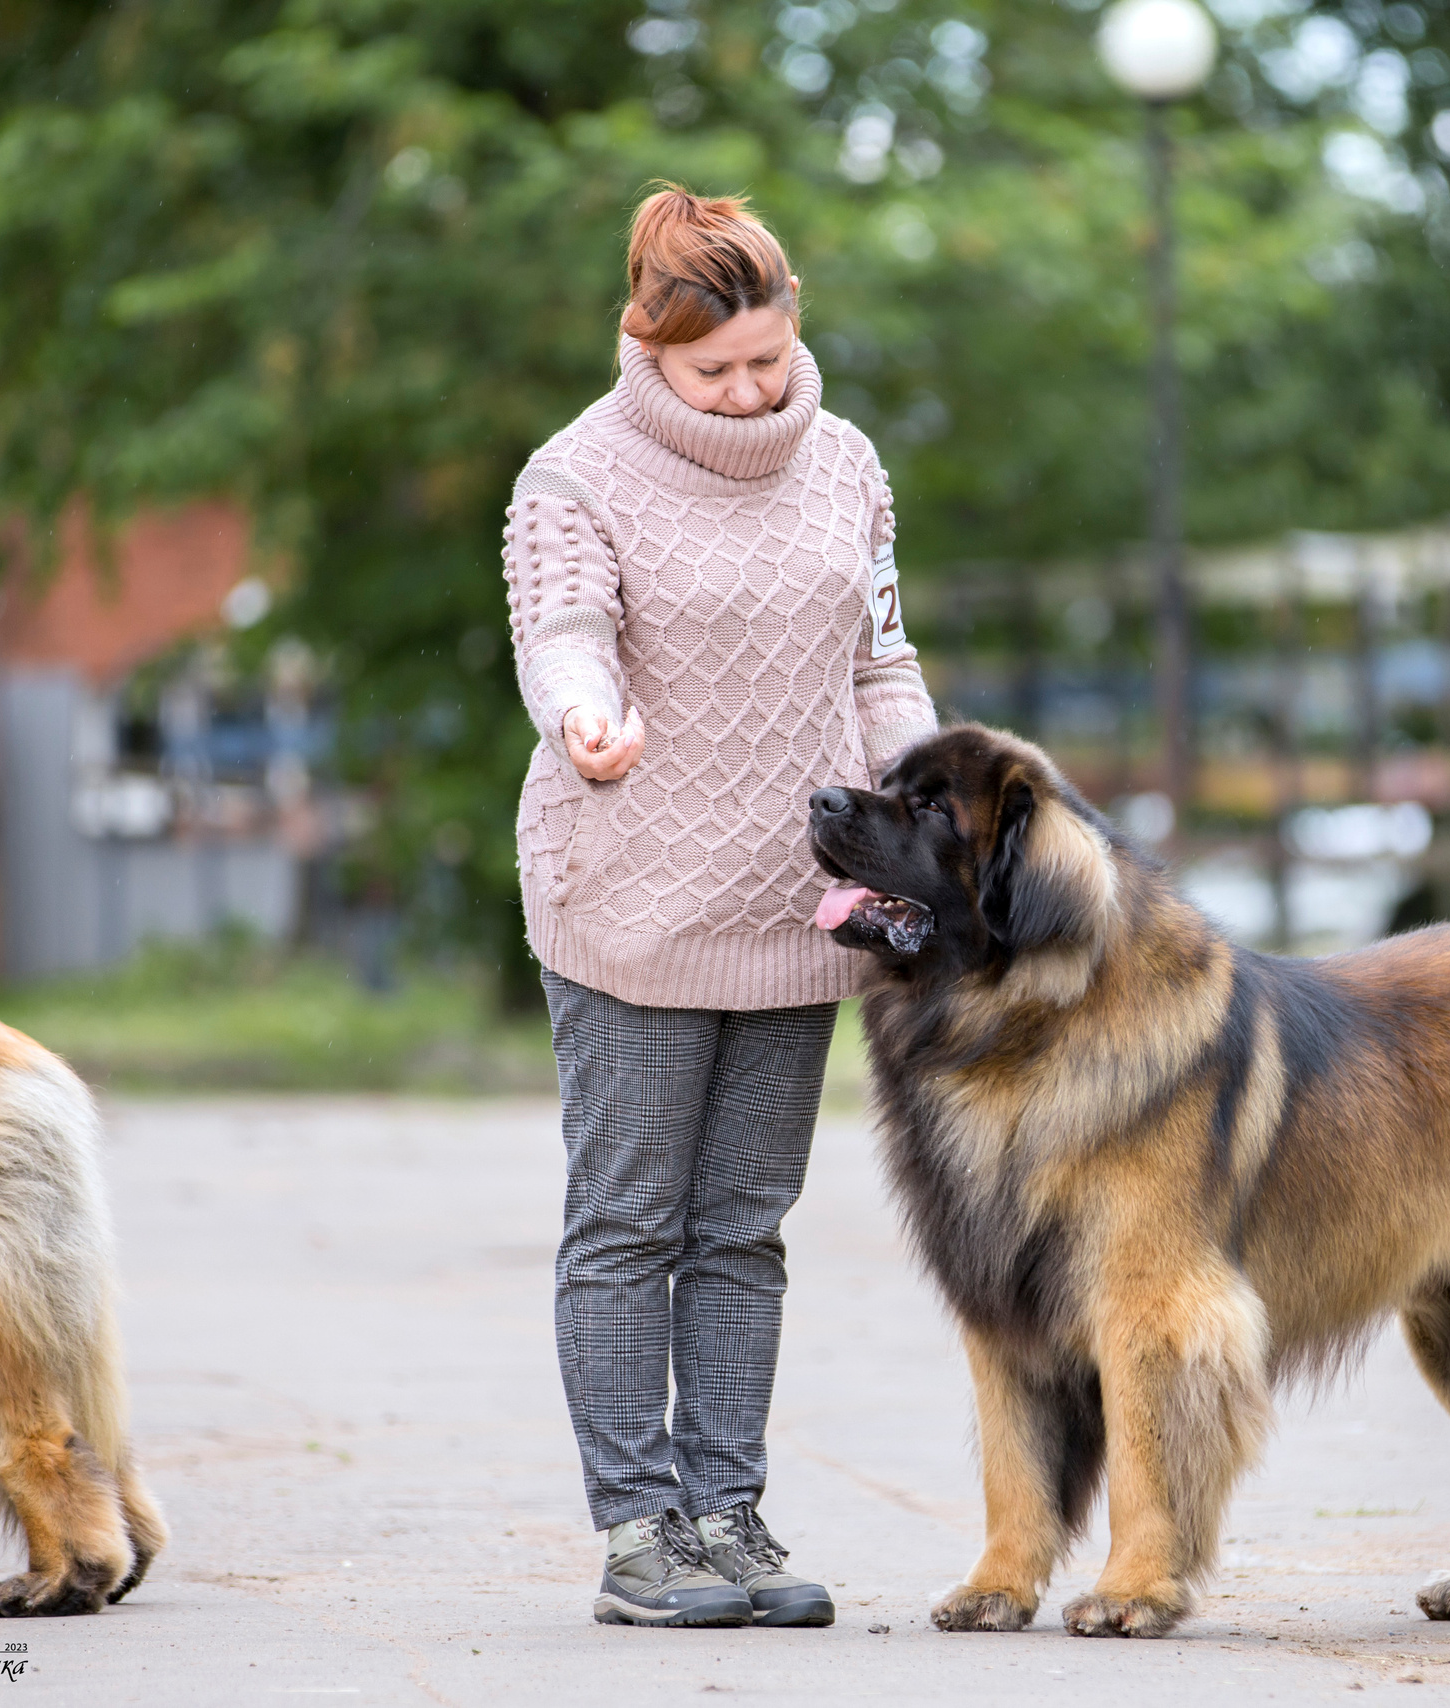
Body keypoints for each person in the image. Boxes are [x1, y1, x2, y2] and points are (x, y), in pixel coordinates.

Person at [502, 184, 937, 1630]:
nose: (749, 392)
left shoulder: (850, 464)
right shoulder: (574, 477)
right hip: (629, 895)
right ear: (648, 341)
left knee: (745, 1225)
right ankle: (639, 1533)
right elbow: (562, 637)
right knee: (630, 1220)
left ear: (790, 313)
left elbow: (881, 662)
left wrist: (927, 795)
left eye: (764, 356)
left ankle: (731, 1516)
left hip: (798, 907)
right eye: (713, 372)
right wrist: (586, 722)